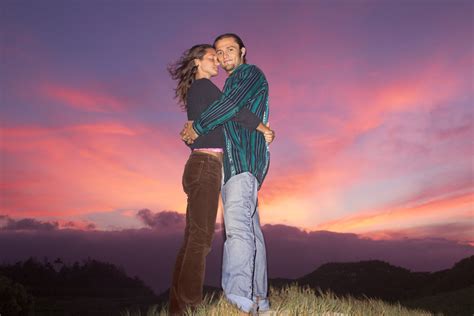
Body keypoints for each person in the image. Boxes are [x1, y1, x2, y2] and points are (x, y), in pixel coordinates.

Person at [168, 44, 274, 316]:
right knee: (201, 239)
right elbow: (233, 109)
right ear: (197, 63)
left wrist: (193, 131)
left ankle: (178, 307)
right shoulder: (204, 87)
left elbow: (205, 125)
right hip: (207, 166)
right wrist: (263, 128)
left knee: (192, 237)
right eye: (212, 58)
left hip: (198, 165)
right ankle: (190, 304)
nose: (217, 62)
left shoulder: (198, 90)